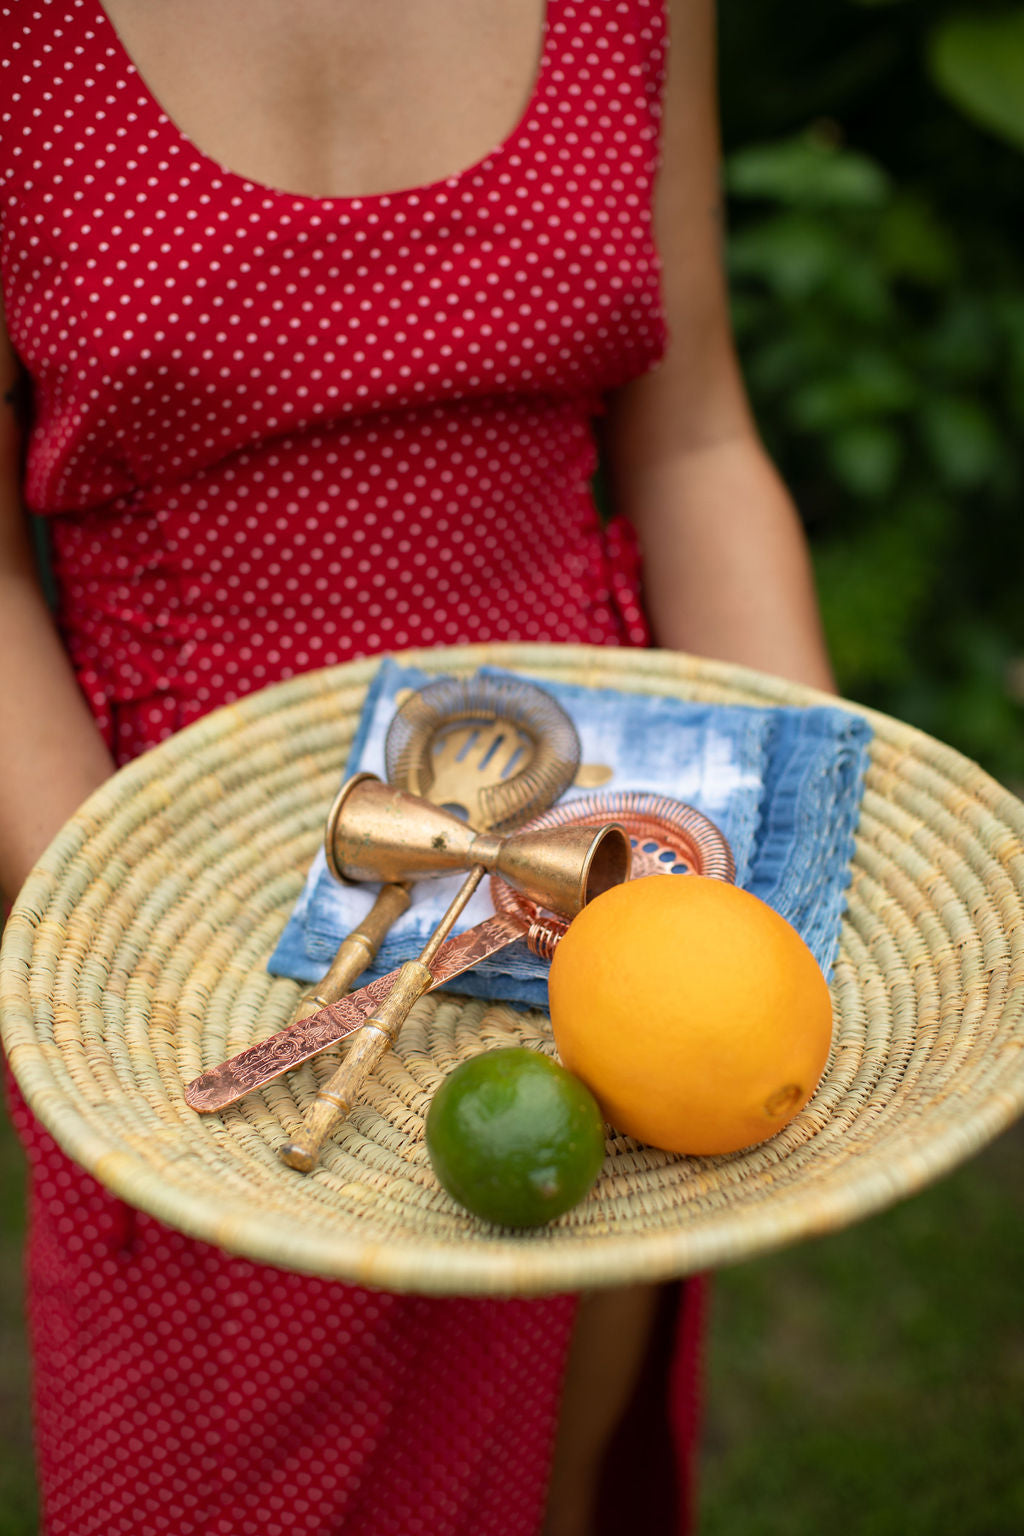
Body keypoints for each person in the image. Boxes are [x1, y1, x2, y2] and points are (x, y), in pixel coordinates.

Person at [0, 2, 834, 1533]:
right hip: (190, 929)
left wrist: (808, 874)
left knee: (545, 1466)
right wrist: (138, 974)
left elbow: (695, 437)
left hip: (595, 905)